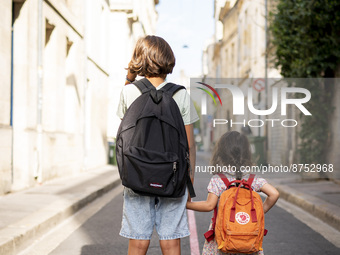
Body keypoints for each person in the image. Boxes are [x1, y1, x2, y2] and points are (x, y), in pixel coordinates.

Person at [117, 35, 199, 255]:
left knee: (138, 240)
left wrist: (129, 76)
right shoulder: (180, 94)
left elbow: (126, 135)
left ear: (139, 59)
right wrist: (188, 182)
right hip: (173, 178)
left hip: (137, 175)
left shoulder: (128, 91)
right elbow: (189, 146)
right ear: (168, 60)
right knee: (171, 240)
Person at [186, 131, 279, 255]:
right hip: (248, 237)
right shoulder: (252, 178)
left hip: (224, 236)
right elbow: (274, 194)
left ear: (221, 153)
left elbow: (209, 205)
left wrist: (187, 205)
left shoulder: (219, 179)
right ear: (247, 153)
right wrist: (259, 212)